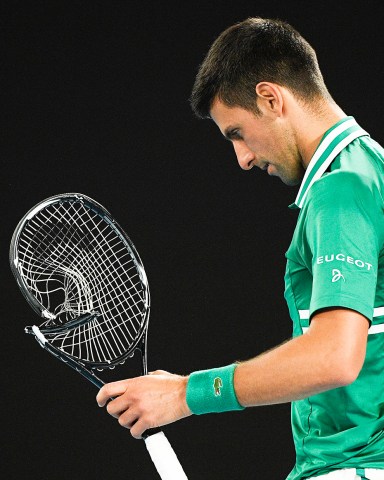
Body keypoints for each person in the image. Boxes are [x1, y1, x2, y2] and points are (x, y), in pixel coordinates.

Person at [96, 17, 384, 479]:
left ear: (271, 98)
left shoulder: (341, 189)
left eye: (237, 133)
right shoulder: (372, 171)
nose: (243, 159)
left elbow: (334, 356)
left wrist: (186, 394)